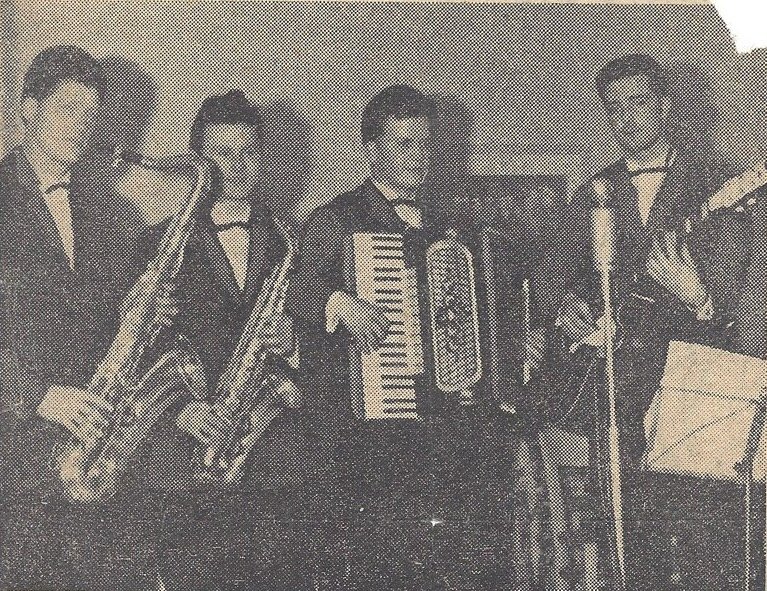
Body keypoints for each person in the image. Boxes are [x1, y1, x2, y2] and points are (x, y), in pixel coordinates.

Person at [285, 84, 521, 590]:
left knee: (450, 551)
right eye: (401, 144)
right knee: (380, 554)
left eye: (423, 145)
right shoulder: (336, 217)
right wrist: (339, 305)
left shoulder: (459, 221)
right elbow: (291, 298)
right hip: (369, 424)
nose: (415, 159)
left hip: (450, 422)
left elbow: (497, 298)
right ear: (370, 152)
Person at [535, 54, 751, 590]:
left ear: (666, 105)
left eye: (640, 104)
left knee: (709, 527)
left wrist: (700, 297)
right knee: (630, 524)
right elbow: (562, 281)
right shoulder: (592, 191)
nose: (629, 121)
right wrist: (569, 314)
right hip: (622, 383)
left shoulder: (722, 184)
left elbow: (749, 304)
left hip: (702, 382)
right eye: (616, 109)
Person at [138, 89, 312, 591]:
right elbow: (152, 335)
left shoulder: (284, 240)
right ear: (202, 161)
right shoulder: (171, 241)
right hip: (187, 429)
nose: (237, 168)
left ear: (264, 159)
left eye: (248, 153)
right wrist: (188, 406)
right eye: (222, 154)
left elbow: (292, 336)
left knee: (280, 558)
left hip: (259, 427)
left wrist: (288, 353)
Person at [0, 45, 156, 590]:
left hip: (92, 444)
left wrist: (144, 311)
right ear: (29, 109)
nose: (79, 131)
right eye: (66, 110)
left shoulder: (103, 206)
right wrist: (40, 395)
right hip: (14, 451)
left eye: (89, 117)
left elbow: (114, 315)